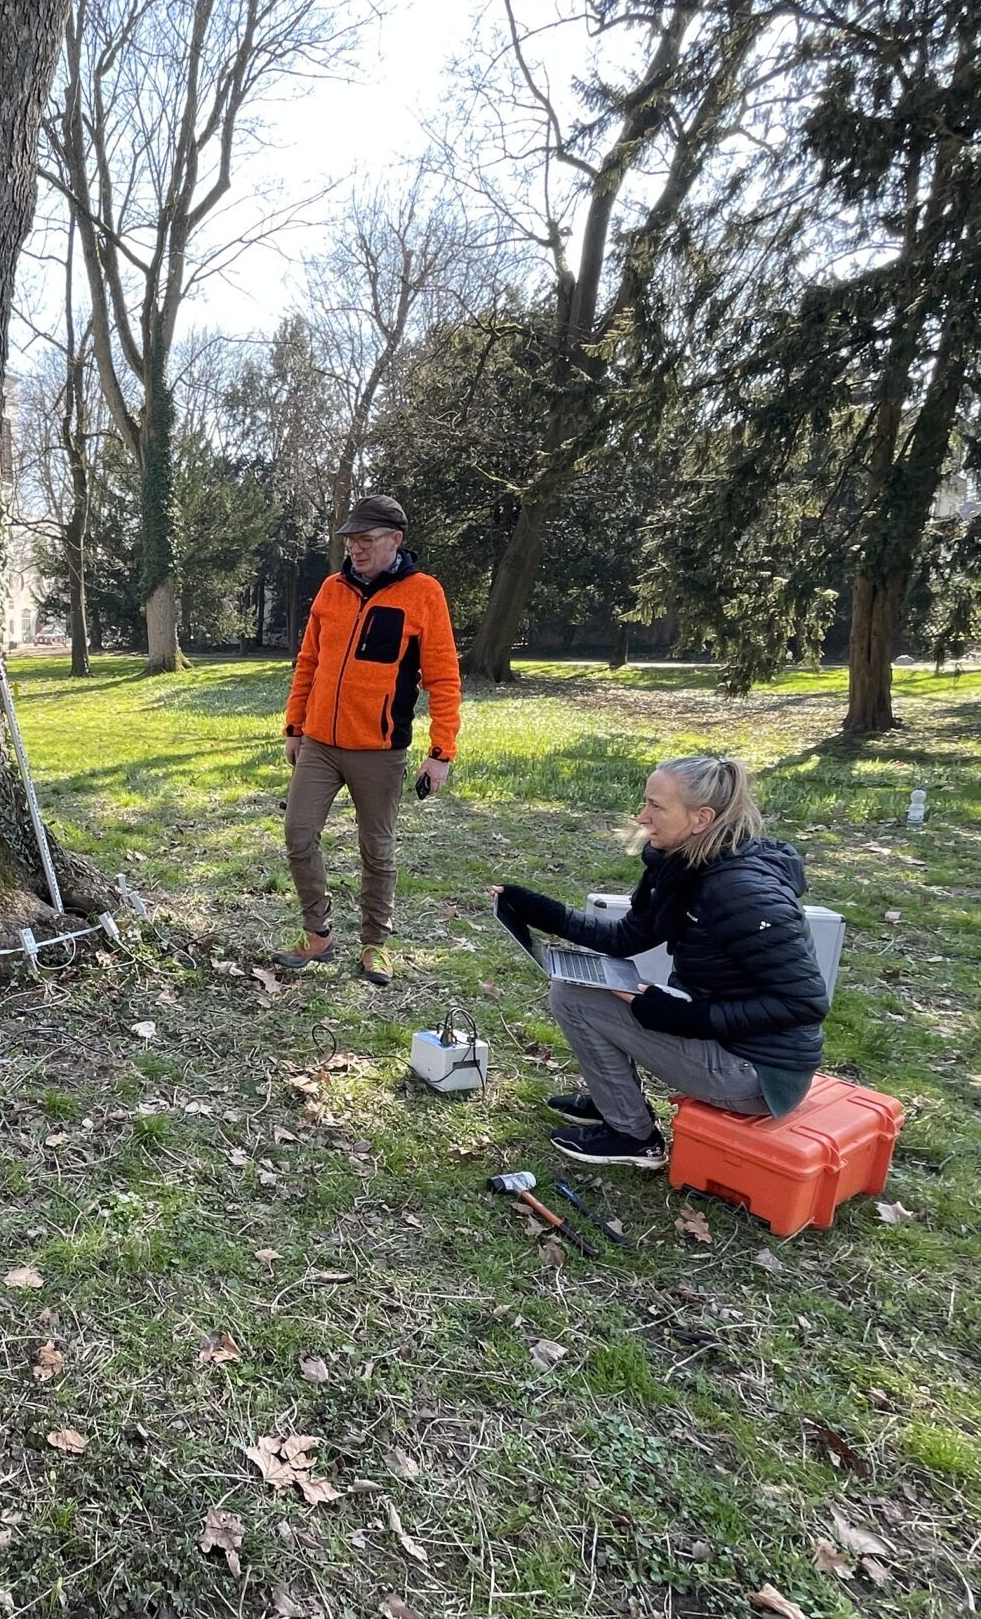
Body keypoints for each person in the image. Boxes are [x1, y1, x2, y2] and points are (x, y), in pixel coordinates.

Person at [491, 755, 827, 1170]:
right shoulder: (686, 863)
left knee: (574, 998)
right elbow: (628, 937)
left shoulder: (741, 893)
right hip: (732, 1046)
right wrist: (544, 913)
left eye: (656, 806)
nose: (642, 816)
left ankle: (633, 1136)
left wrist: (680, 1016)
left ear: (701, 817)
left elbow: (804, 1003)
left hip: (759, 1075)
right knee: (580, 985)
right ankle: (615, 1104)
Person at [274, 493, 460, 986]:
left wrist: (441, 752)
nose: (355, 549)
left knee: (377, 849)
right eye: (351, 541)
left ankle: (375, 942)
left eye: (366, 540)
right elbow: (308, 662)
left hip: (380, 751)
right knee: (298, 833)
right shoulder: (332, 590)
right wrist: (295, 726)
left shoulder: (424, 593)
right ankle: (319, 933)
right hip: (319, 743)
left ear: (395, 541)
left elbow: (443, 677)